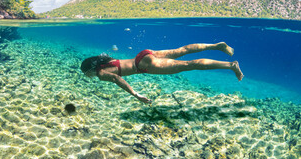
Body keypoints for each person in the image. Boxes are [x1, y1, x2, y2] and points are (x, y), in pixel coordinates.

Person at [80, 42, 244, 104]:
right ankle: (216, 46)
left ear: (89, 70)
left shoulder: (101, 73)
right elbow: (118, 69)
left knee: (189, 65)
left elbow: (117, 79)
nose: (87, 76)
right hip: (143, 55)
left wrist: (136, 94)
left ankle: (230, 65)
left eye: (85, 73)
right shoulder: (106, 61)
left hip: (144, 65)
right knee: (182, 50)